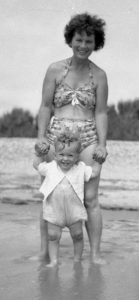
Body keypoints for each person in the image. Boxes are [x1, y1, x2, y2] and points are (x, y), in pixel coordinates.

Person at [35, 12, 108, 264]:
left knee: (90, 198)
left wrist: (102, 144)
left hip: (88, 136)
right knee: (51, 194)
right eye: (79, 39)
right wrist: (41, 137)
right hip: (57, 138)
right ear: (70, 39)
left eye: (89, 41)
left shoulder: (99, 75)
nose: (83, 45)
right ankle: (45, 252)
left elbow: (100, 112)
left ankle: (95, 254)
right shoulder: (54, 69)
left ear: (95, 43)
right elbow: (45, 106)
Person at [34, 131, 101, 267]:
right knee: (53, 236)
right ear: (55, 155)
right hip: (54, 210)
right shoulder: (50, 167)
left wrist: (99, 161)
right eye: (61, 155)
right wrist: (38, 154)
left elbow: (94, 173)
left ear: (77, 157)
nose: (65, 158)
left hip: (74, 211)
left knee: (77, 235)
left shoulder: (80, 168)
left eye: (70, 155)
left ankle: (77, 260)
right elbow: (37, 165)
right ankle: (54, 261)